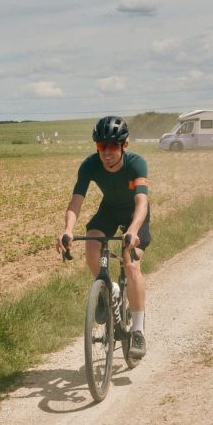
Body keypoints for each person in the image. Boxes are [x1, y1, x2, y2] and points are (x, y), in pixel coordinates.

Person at [57, 116, 151, 359]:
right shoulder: (89, 165)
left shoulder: (136, 164)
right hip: (109, 210)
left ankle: (138, 330)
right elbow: (76, 201)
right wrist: (68, 229)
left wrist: (133, 230)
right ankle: (108, 291)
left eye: (111, 147)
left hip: (135, 214)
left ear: (124, 146)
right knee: (91, 246)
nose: (106, 153)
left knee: (131, 265)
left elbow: (142, 202)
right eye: (101, 146)